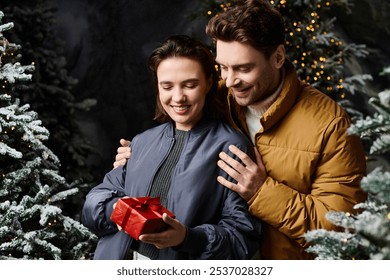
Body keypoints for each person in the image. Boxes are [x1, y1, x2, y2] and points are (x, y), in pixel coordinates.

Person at [113, 0, 367, 259]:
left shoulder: (331, 125)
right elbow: (175, 142)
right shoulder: (214, 97)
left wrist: (262, 192)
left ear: (278, 57)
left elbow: (341, 228)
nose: (230, 80)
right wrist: (137, 159)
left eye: (243, 68)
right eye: (223, 67)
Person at [82, 34, 261, 260]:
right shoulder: (141, 142)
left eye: (190, 85)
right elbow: (92, 205)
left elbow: (242, 239)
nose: (178, 97)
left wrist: (187, 238)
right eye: (167, 86)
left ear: (208, 83)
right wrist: (118, 209)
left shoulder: (231, 147)